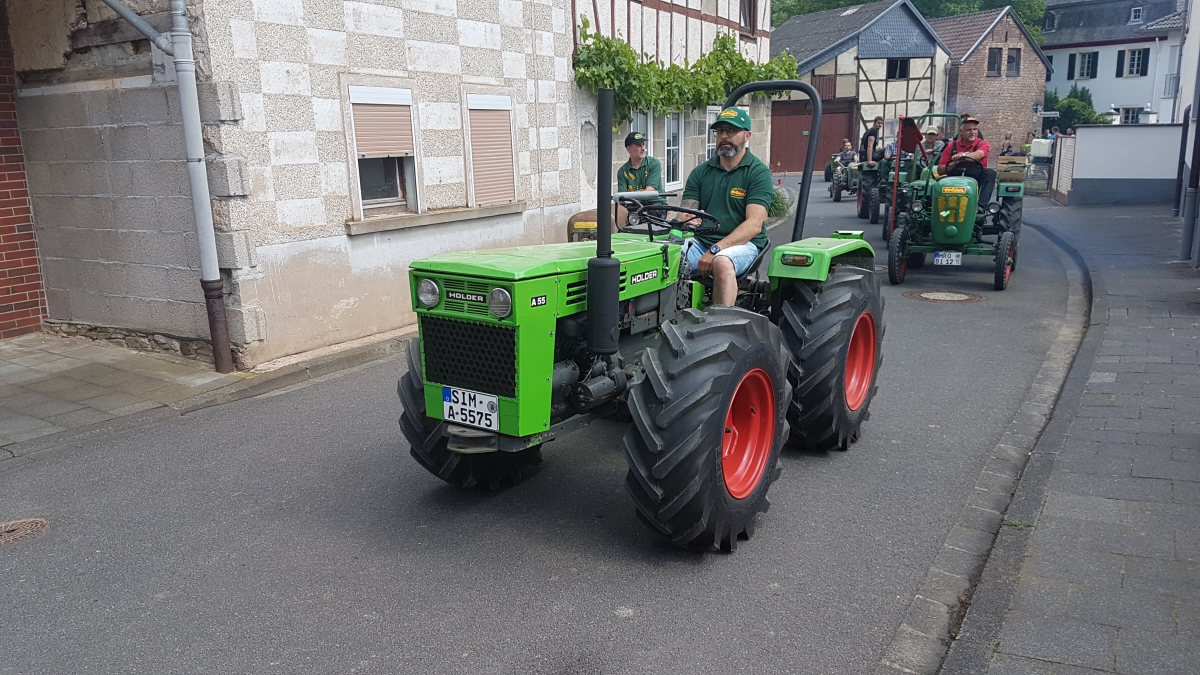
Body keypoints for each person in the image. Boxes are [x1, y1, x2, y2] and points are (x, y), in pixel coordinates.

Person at [678, 107, 773, 306]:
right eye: (720, 131)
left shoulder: (757, 172)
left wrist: (715, 249)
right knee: (665, 258)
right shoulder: (701, 172)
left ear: (747, 135)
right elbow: (685, 213)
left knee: (721, 262)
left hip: (745, 245)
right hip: (702, 241)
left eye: (731, 130)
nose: (724, 136)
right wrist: (687, 219)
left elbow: (754, 225)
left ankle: (721, 325)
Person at [938, 115, 996, 208]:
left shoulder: (983, 144)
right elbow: (940, 170)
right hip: (955, 178)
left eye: (975, 129)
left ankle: (980, 208)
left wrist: (962, 156)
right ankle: (942, 211)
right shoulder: (951, 146)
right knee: (937, 184)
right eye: (969, 130)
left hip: (977, 177)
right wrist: (954, 163)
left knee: (990, 173)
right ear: (961, 132)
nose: (972, 132)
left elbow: (978, 155)